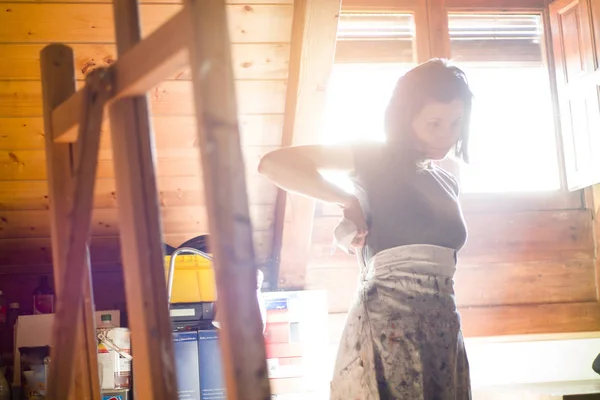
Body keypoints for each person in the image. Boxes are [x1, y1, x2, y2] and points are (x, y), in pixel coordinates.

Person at [258, 58, 473, 399]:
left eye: (455, 123)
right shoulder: (375, 157)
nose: (446, 135)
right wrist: (346, 200)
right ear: (407, 119)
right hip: (390, 328)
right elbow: (275, 164)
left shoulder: (447, 180)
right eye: (434, 123)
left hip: (444, 330)